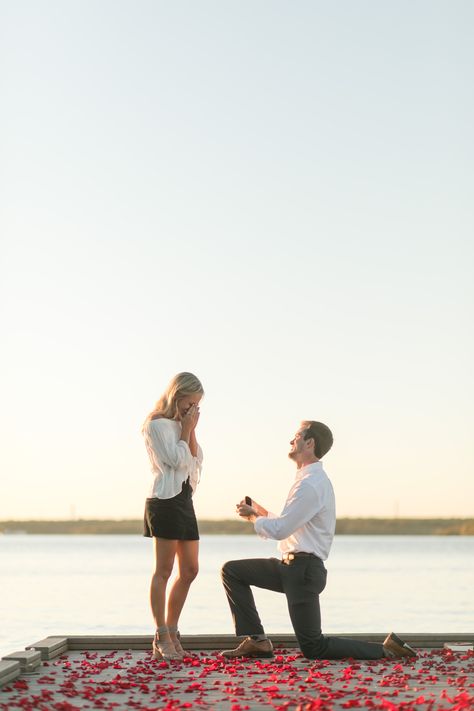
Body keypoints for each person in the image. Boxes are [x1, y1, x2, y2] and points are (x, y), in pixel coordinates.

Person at [220, 420, 416, 661]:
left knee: (314, 647)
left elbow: (281, 530)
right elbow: (290, 526)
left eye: (296, 436)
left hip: (303, 572)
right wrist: (260, 512)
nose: (291, 441)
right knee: (233, 571)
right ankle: (257, 641)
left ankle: (386, 650)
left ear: (309, 442)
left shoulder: (311, 484)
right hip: (290, 567)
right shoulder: (306, 481)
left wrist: (252, 518)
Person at [142, 372, 204, 660]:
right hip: (164, 501)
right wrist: (185, 431)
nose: (192, 410)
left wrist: (190, 430)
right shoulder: (157, 424)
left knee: (190, 570)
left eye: (196, 405)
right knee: (163, 571)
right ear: (177, 396)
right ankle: (161, 634)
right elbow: (175, 460)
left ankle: (173, 628)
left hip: (184, 500)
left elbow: (196, 464)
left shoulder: (183, 426)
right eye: (190, 403)